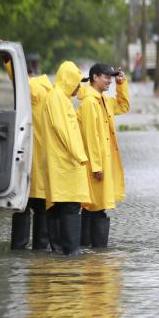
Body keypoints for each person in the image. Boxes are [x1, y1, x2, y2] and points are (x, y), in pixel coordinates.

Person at [39, 61, 91, 256]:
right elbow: (63, 130)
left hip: (62, 161)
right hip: (65, 162)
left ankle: (60, 252)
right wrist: (80, 155)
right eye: (77, 82)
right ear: (68, 80)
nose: (79, 87)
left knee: (58, 205)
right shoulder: (57, 98)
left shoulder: (60, 98)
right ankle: (71, 251)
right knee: (69, 206)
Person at [76, 63, 130, 248]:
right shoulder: (90, 103)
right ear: (95, 77)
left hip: (103, 163)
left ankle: (91, 252)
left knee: (96, 206)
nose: (110, 81)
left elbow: (123, 106)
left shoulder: (104, 100)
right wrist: (96, 166)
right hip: (95, 165)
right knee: (94, 206)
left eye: (111, 77)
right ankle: (94, 251)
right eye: (107, 77)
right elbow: (91, 137)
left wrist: (121, 84)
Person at [11, 63, 55, 250]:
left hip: (29, 159)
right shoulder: (51, 90)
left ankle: (19, 248)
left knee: (22, 207)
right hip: (45, 161)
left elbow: (17, 81)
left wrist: (8, 61)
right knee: (42, 209)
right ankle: (40, 249)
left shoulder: (32, 88)